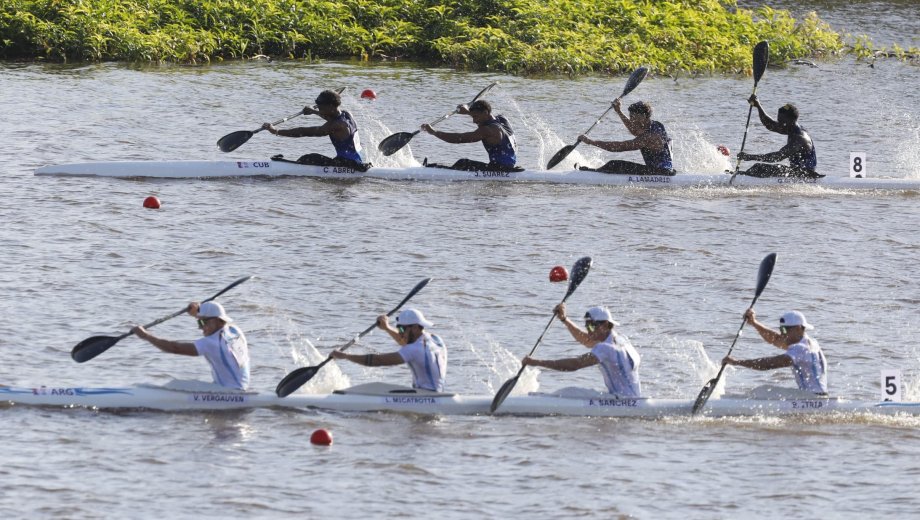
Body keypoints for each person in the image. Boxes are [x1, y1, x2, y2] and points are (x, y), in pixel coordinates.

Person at [522, 304, 641, 397]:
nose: (589, 331)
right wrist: (564, 319)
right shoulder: (621, 340)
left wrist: (537, 362)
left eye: (591, 326)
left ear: (605, 325)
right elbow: (586, 340)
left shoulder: (605, 348)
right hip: (633, 399)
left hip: (621, 400)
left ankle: (535, 401)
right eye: (587, 326)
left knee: (569, 393)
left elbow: (575, 365)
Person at [132, 301, 250, 390]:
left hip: (229, 392)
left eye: (203, 322)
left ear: (218, 321)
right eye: (199, 322)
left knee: (175, 385)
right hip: (240, 387)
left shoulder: (211, 343)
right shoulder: (235, 330)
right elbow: (215, 318)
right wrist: (198, 311)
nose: (200, 327)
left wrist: (146, 336)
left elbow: (174, 348)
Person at [331, 308, 447, 392]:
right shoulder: (436, 339)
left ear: (415, 327)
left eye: (402, 329)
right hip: (436, 394)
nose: (400, 332)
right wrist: (387, 328)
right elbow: (404, 341)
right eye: (398, 328)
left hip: (425, 397)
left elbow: (377, 360)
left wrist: (345, 356)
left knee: (374, 390)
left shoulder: (414, 349)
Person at [262, 89, 371, 171]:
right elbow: (331, 117)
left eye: (321, 107)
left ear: (331, 106)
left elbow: (304, 132)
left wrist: (276, 131)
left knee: (308, 159)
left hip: (348, 164)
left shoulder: (336, 125)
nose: (319, 109)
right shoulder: (346, 114)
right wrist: (313, 112)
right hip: (356, 160)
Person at [723, 309, 827, 395]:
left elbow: (767, 365)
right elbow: (775, 339)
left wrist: (737, 362)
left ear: (798, 329)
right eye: (781, 329)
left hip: (812, 400)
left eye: (785, 330)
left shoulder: (801, 348)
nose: (782, 334)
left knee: (763, 391)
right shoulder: (810, 342)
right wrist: (754, 323)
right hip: (815, 397)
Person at [578, 100, 675, 176]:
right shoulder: (655, 125)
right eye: (630, 117)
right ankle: (597, 171)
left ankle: (593, 173)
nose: (631, 120)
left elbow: (620, 147)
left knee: (614, 164)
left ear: (643, 116)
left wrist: (591, 142)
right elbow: (634, 130)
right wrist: (618, 111)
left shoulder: (650, 136)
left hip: (661, 173)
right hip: (662, 170)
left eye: (633, 117)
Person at [420, 99, 521, 172]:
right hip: (508, 165)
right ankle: (433, 167)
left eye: (475, 116)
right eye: (473, 116)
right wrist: (468, 111)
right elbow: (486, 119)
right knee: (463, 163)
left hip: (499, 169)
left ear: (485, 112)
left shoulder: (487, 130)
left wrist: (433, 132)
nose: (473, 121)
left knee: (463, 163)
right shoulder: (502, 119)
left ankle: (430, 169)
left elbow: (459, 139)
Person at [736, 95, 820, 178]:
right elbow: (769, 124)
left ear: (791, 120)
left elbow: (777, 157)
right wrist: (758, 106)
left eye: (781, 121)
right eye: (778, 120)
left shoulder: (800, 138)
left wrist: (749, 157)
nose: (779, 124)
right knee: (757, 168)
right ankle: (743, 175)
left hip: (806, 175)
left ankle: (742, 178)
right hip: (796, 171)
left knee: (759, 167)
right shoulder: (790, 127)